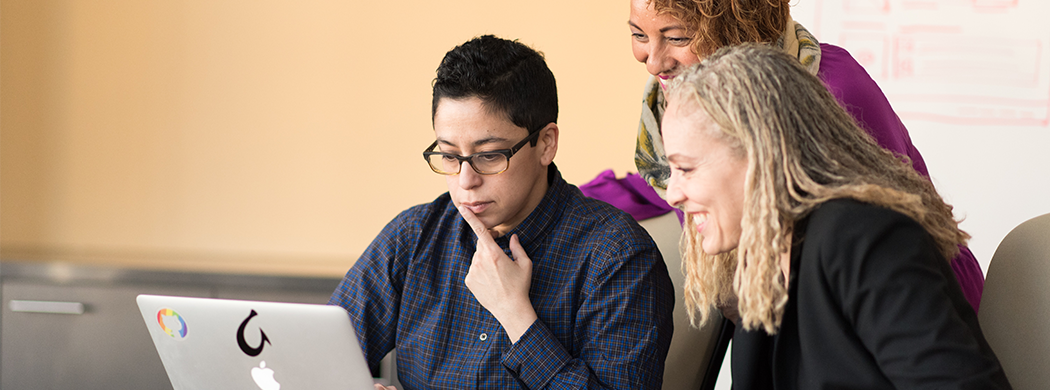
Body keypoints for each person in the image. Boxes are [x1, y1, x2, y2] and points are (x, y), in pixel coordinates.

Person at [329, 35, 675, 390]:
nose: (466, 181)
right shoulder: (415, 236)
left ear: (546, 144)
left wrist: (516, 315)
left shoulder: (618, 257)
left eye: (489, 155)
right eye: (449, 156)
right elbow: (318, 359)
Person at [661, 43, 1010, 389]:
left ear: (760, 156)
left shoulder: (863, 238)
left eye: (686, 168)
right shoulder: (764, 259)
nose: (673, 194)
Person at [624, 0, 985, 312]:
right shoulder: (671, 102)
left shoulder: (830, 89)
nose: (653, 63)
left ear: (735, 26)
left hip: (910, 308)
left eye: (676, 37)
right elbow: (682, 185)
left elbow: (892, 244)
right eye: (639, 35)